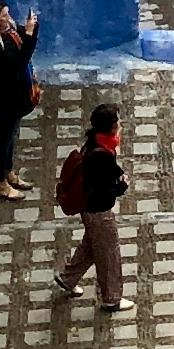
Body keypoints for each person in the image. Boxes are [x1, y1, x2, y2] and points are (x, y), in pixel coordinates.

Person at [54, 100, 127, 312]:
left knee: (91, 245)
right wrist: (121, 187)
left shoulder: (96, 143)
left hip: (89, 210)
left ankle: (68, 279)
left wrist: (117, 173)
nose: (120, 125)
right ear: (111, 127)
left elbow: (108, 168)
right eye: (118, 122)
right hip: (98, 211)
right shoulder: (102, 155)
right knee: (109, 253)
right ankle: (112, 298)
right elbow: (103, 190)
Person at [0, 0, 40, 200]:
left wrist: (31, 28)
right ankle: (0, 182)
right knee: (4, 138)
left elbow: (24, 41)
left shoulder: (9, 29)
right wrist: (30, 36)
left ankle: (8, 172)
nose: (8, 17)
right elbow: (17, 64)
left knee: (12, 134)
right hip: (8, 96)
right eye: (4, 15)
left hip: (19, 91)